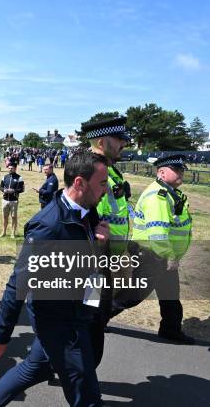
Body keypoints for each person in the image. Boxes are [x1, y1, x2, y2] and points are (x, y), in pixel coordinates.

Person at [0, 150, 110, 407]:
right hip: (60, 321)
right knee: (87, 397)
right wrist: (1, 335)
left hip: (79, 312)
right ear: (80, 183)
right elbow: (19, 282)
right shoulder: (48, 226)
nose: (106, 189)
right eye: (102, 183)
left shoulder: (88, 213)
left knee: (36, 368)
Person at [111, 154, 194, 344]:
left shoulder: (170, 193)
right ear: (162, 173)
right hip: (151, 255)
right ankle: (96, 318)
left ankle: (170, 330)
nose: (181, 173)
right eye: (177, 170)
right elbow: (157, 231)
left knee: (170, 296)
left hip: (160, 254)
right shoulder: (158, 196)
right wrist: (170, 256)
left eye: (182, 169)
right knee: (132, 296)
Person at [82, 116, 132, 367]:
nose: (124, 143)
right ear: (102, 141)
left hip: (105, 262)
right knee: (90, 322)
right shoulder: (93, 170)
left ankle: (66, 369)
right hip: (94, 266)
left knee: (92, 322)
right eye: (119, 139)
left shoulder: (110, 170)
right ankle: (79, 380)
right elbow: (89, 220)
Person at [0, 162, 24, 238]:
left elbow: (21, 189)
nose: (10, 169)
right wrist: (4, 190)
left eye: (11, 168)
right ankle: (4, 232)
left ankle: (13, 233)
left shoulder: (19, 178)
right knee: (5, 217)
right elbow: (1, 187)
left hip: (14, 201)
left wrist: (13, 191)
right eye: (9, 168)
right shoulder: (4, 177)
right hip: (5, 200)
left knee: (13, 217)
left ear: (15, 168)